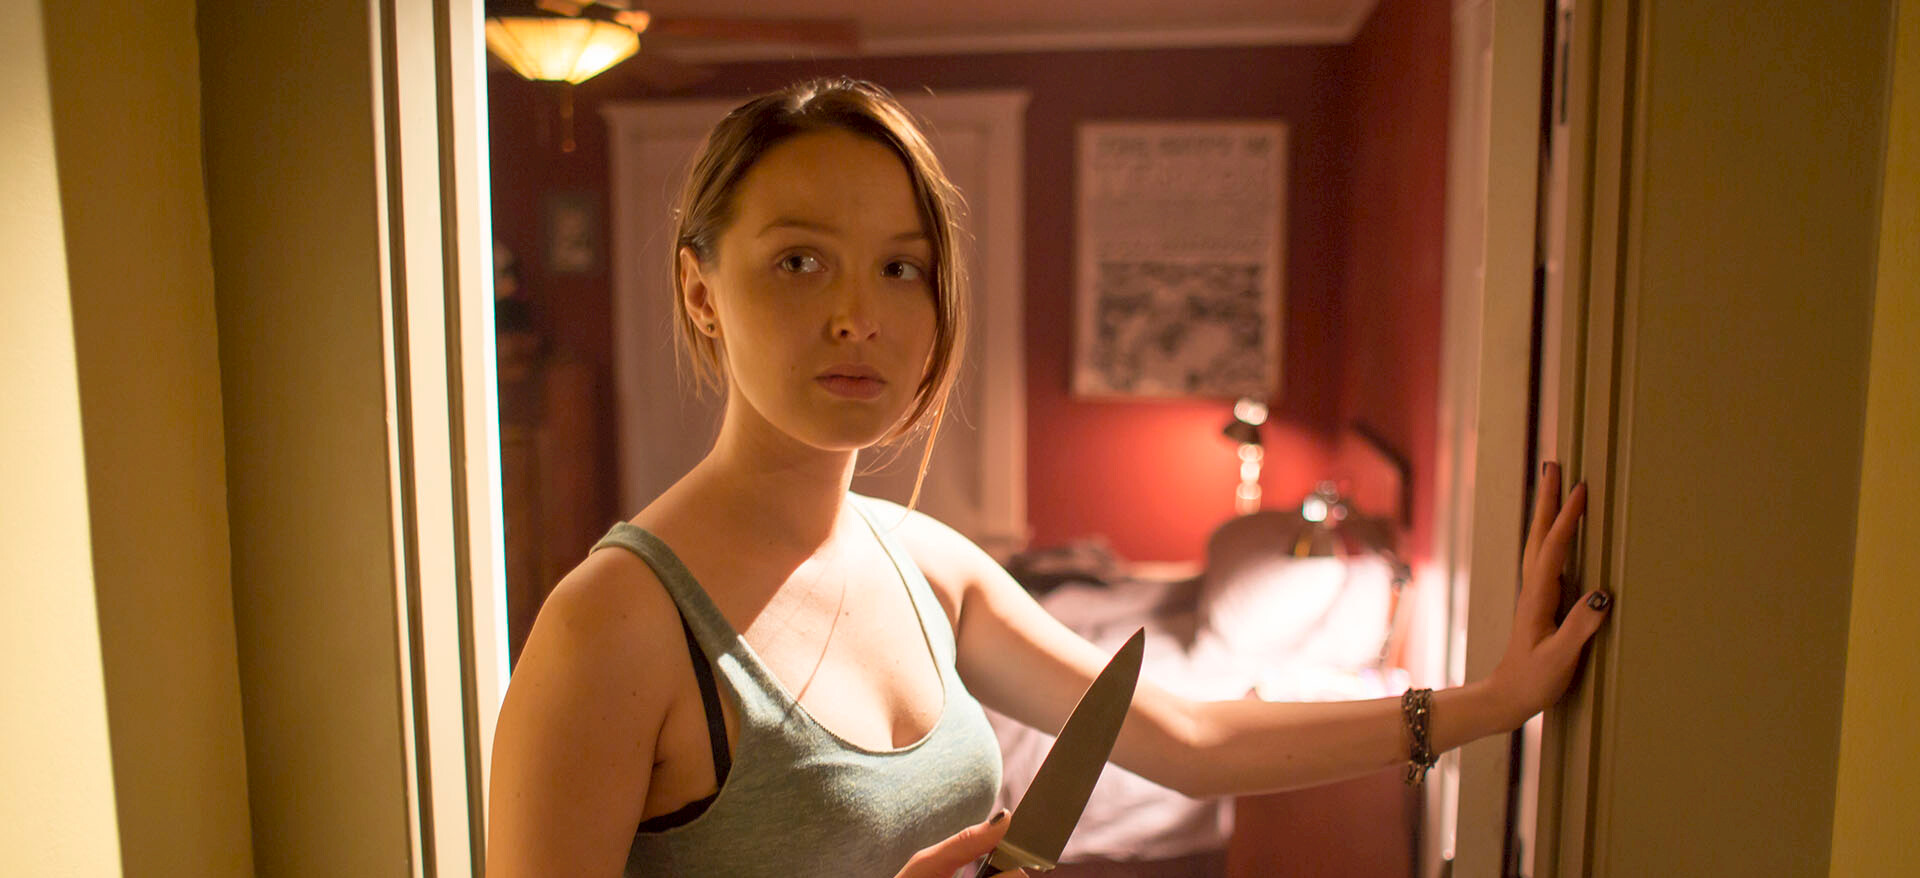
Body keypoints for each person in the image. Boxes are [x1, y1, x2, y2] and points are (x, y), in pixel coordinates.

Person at [485, 78, 1611, 878]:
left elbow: (1184, 740)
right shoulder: (612, 628)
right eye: (798, 260)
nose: (858, 313)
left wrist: (1487, 704)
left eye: (900, 267)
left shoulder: (926, 567)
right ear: (700, 292)